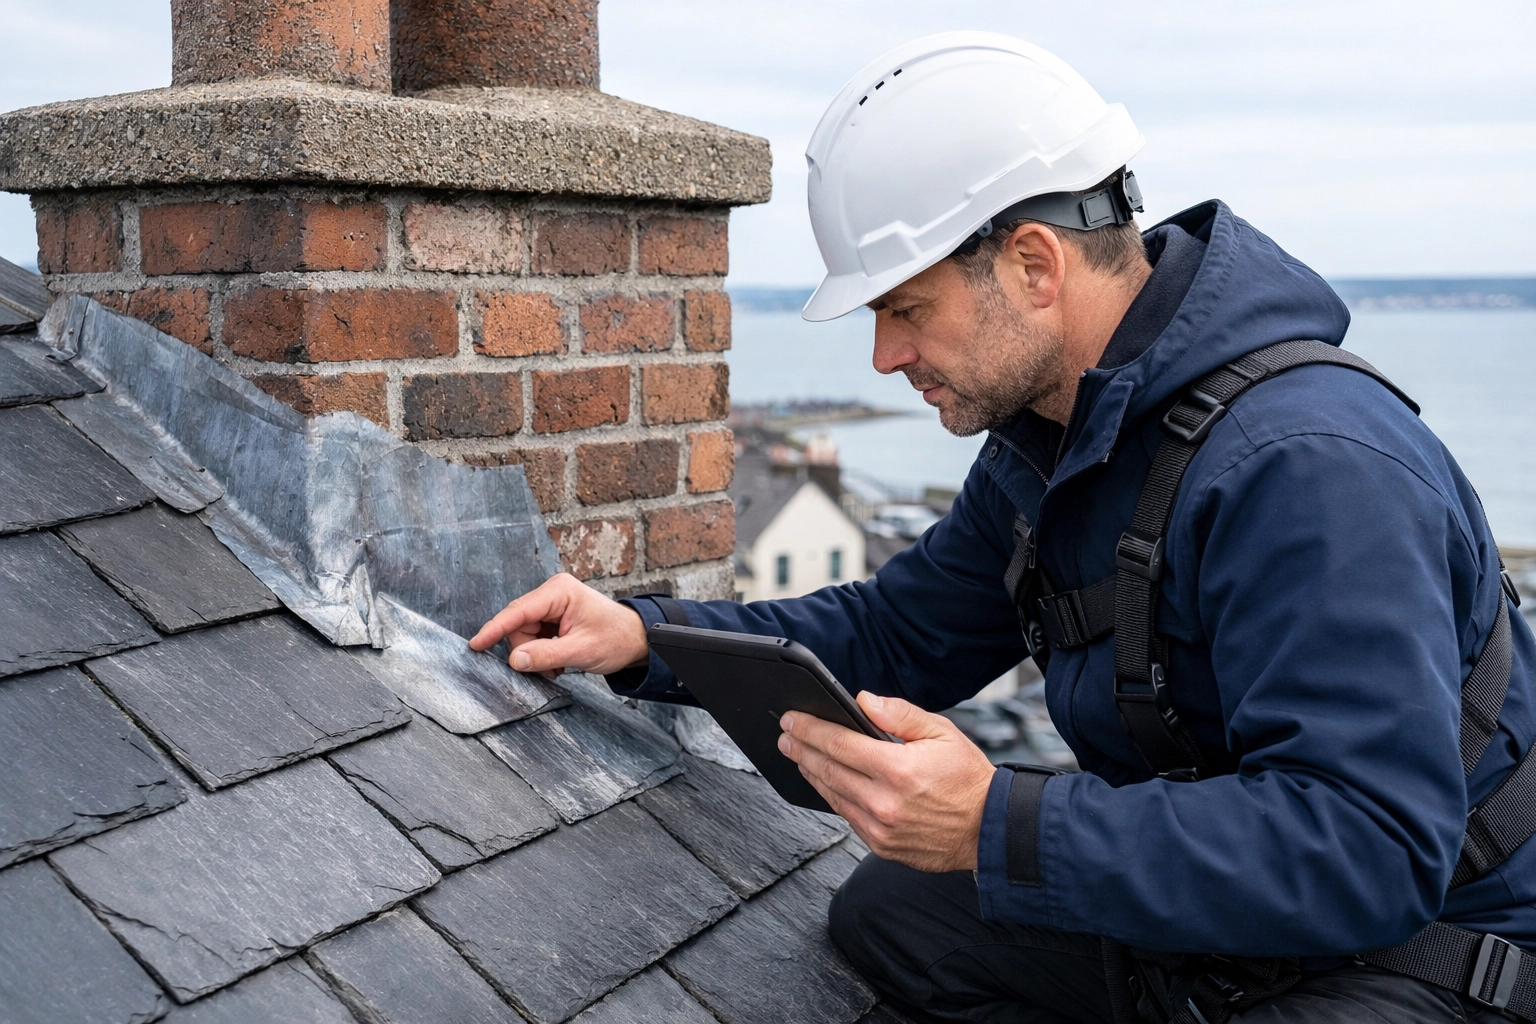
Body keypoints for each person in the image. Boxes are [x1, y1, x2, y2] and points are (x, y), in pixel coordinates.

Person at [470, 32, 1536, 1024]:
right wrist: (648, 638)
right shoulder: (1050, 441)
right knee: (891, 916)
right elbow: (899, 633)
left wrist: (996, 824)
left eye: (905, 308)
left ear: (1034, 265)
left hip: (1431, 948)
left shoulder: (1309, 466)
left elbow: (1368, 851)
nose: (885, 358)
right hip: (1225, 912)